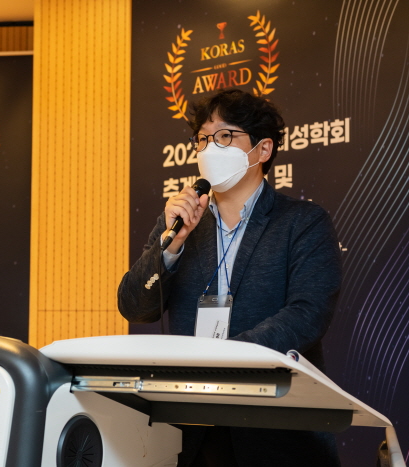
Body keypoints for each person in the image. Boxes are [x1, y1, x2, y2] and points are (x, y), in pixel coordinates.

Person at [118, 88, 342, 466]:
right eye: (202, 139)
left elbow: (308, 314)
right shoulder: (180, 222)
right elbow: (134, 307)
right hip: (193, 430)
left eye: (224, 136)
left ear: (263, 149)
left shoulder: (303, 222)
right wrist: (171, 247)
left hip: (277, 431)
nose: (210, 149)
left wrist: (226, 359)